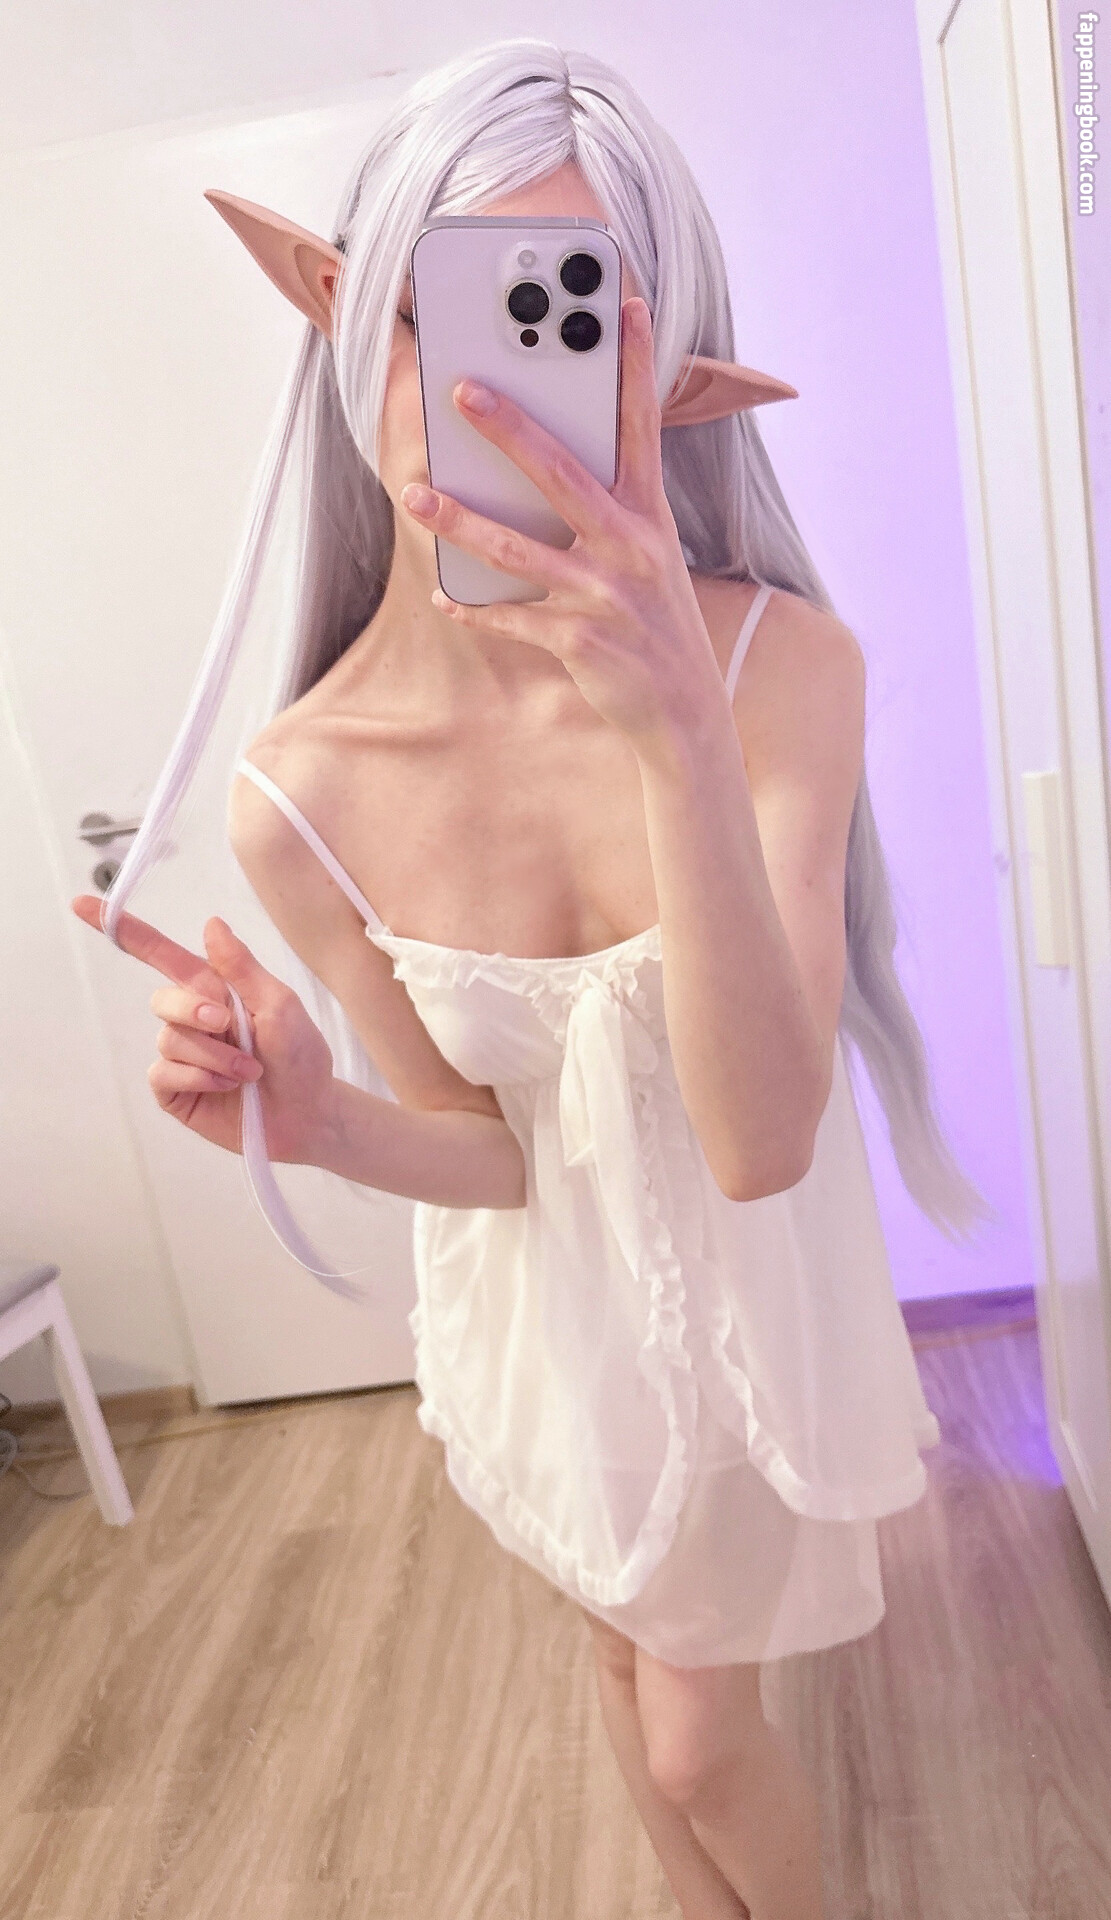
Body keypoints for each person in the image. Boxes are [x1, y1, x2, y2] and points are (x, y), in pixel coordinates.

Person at [72, 40, 992, 1920]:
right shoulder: (301, 793)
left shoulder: (785, 674)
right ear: (341, 320)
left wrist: (678, 738)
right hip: (545, 1334)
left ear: (665, 377)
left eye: (548, 313)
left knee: (697, 1739)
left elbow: (760, 1141)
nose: (475, 389)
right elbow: (489, 1153)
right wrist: (319, 1117)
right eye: (428, 308)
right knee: (620, 1667)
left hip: (743, 1319)